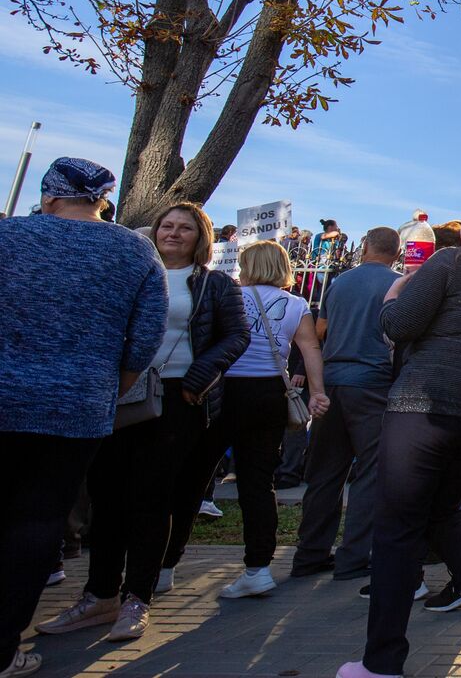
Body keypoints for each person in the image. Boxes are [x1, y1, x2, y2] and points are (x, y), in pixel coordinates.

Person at [338, 186, 461, 678]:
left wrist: (392, 295)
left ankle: (381, 664)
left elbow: (401, 326)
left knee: (395, 528)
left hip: (426, 406)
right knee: (440, 508)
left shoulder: (447, 263)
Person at [39, 203, 248, 642]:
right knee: (107, 496)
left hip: (177, 398)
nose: (172, 233)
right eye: (166, 226)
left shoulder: (213, 284)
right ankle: (100, 595)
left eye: (184, 228)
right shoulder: (131, 271)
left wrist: (199, 376)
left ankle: (138, 598)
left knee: (152, 498)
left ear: (200, 236)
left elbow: (236, 334)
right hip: (116, 395)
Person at [0, 158, 168, 678]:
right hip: (78, 407)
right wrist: (104, 390)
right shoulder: (133, 249)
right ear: (102, 199)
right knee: (37, 522)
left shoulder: (8, 237)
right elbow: (145, 339)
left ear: (49, 197)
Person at [170, 240, 329, 599]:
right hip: (268, 394)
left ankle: (166, 564)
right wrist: (317, 392)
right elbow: (310, 349)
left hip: (221, 389)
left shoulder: (228, 294)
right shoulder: (296, 304)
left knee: (193, 477)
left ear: (245, 264)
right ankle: (257, 568)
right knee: (258, 484)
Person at [291, 227, 403, 581]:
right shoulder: (398, 284)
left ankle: (309, 554)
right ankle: (354, 557)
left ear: (365, 247)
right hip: (372, 384)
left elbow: (319, 330)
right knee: (370, 472)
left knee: (325, 471)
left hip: (332, 381)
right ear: (397, 253)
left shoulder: (338, 283)